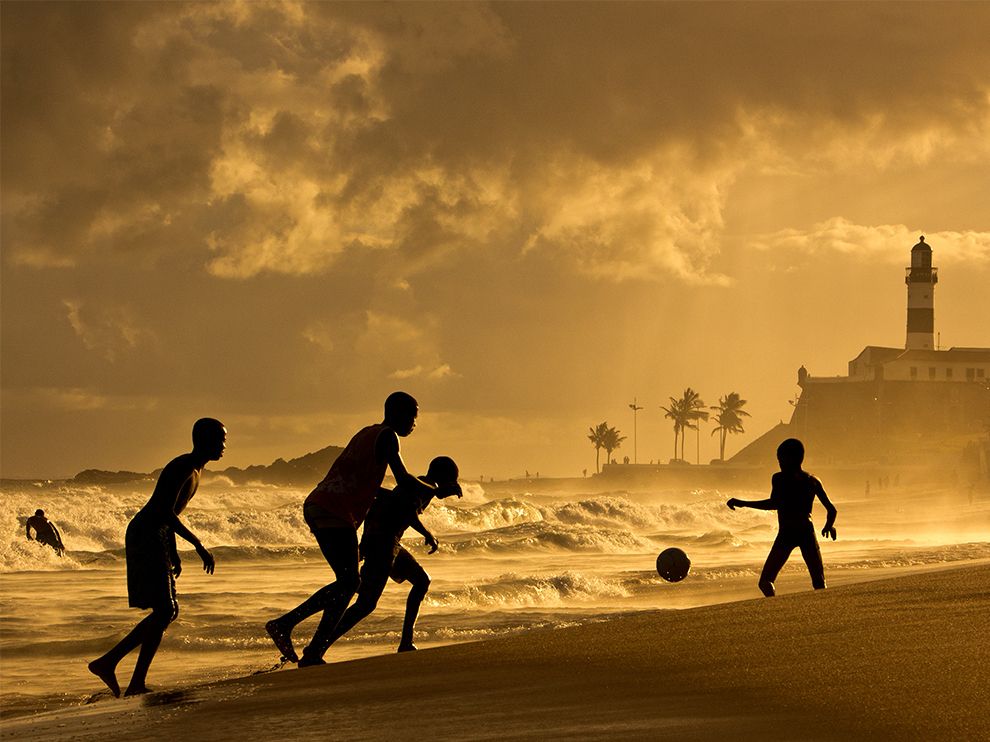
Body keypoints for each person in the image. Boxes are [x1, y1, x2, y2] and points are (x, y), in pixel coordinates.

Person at [265, 392, 460, 668]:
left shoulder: (367, 433)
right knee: (351, 585)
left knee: (348, 583)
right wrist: (439, 490)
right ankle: (288, 627)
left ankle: (312, 648)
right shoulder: (388, 436)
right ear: (399, 414)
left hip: (320, 504)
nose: (415, 424)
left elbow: (373, 489)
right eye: (413, 418)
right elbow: (404, 481)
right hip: (335, 509)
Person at [88, 418, 225, 697]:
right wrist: (198, 545)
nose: (224, 446)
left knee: (168, 611)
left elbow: (170, 512)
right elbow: (162, 510)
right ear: (204, 440)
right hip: (145, 535)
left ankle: (123, 672)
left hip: (157, 535)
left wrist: (173, 550)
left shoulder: (196, 470)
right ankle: (112, 666)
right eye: (220, 440)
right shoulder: (183, 466)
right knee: (164, 610)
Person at [322, 456, 461, 655]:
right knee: (365, 603)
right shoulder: (424, 486)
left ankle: (406, 641)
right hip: (384, 544)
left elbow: (379, 507)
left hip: (387, 542)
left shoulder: (422, 485)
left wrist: (364, 541)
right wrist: (427, 534)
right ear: (443, 477)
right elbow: (407, 511)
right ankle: (318, 647)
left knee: (421, 581)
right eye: (452, 481)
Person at [726, 438, 837, 597]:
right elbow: (832, 510)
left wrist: (743, 503)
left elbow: (774, 504)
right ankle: (824, 611)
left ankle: (775, 607)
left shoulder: (779, 478)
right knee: (819, 582)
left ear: (793, 458)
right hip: (807, 531)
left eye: (781, 459)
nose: (779, 463)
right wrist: (829, 526)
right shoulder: (812, 480)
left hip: (787, 533)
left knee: (765, 582)